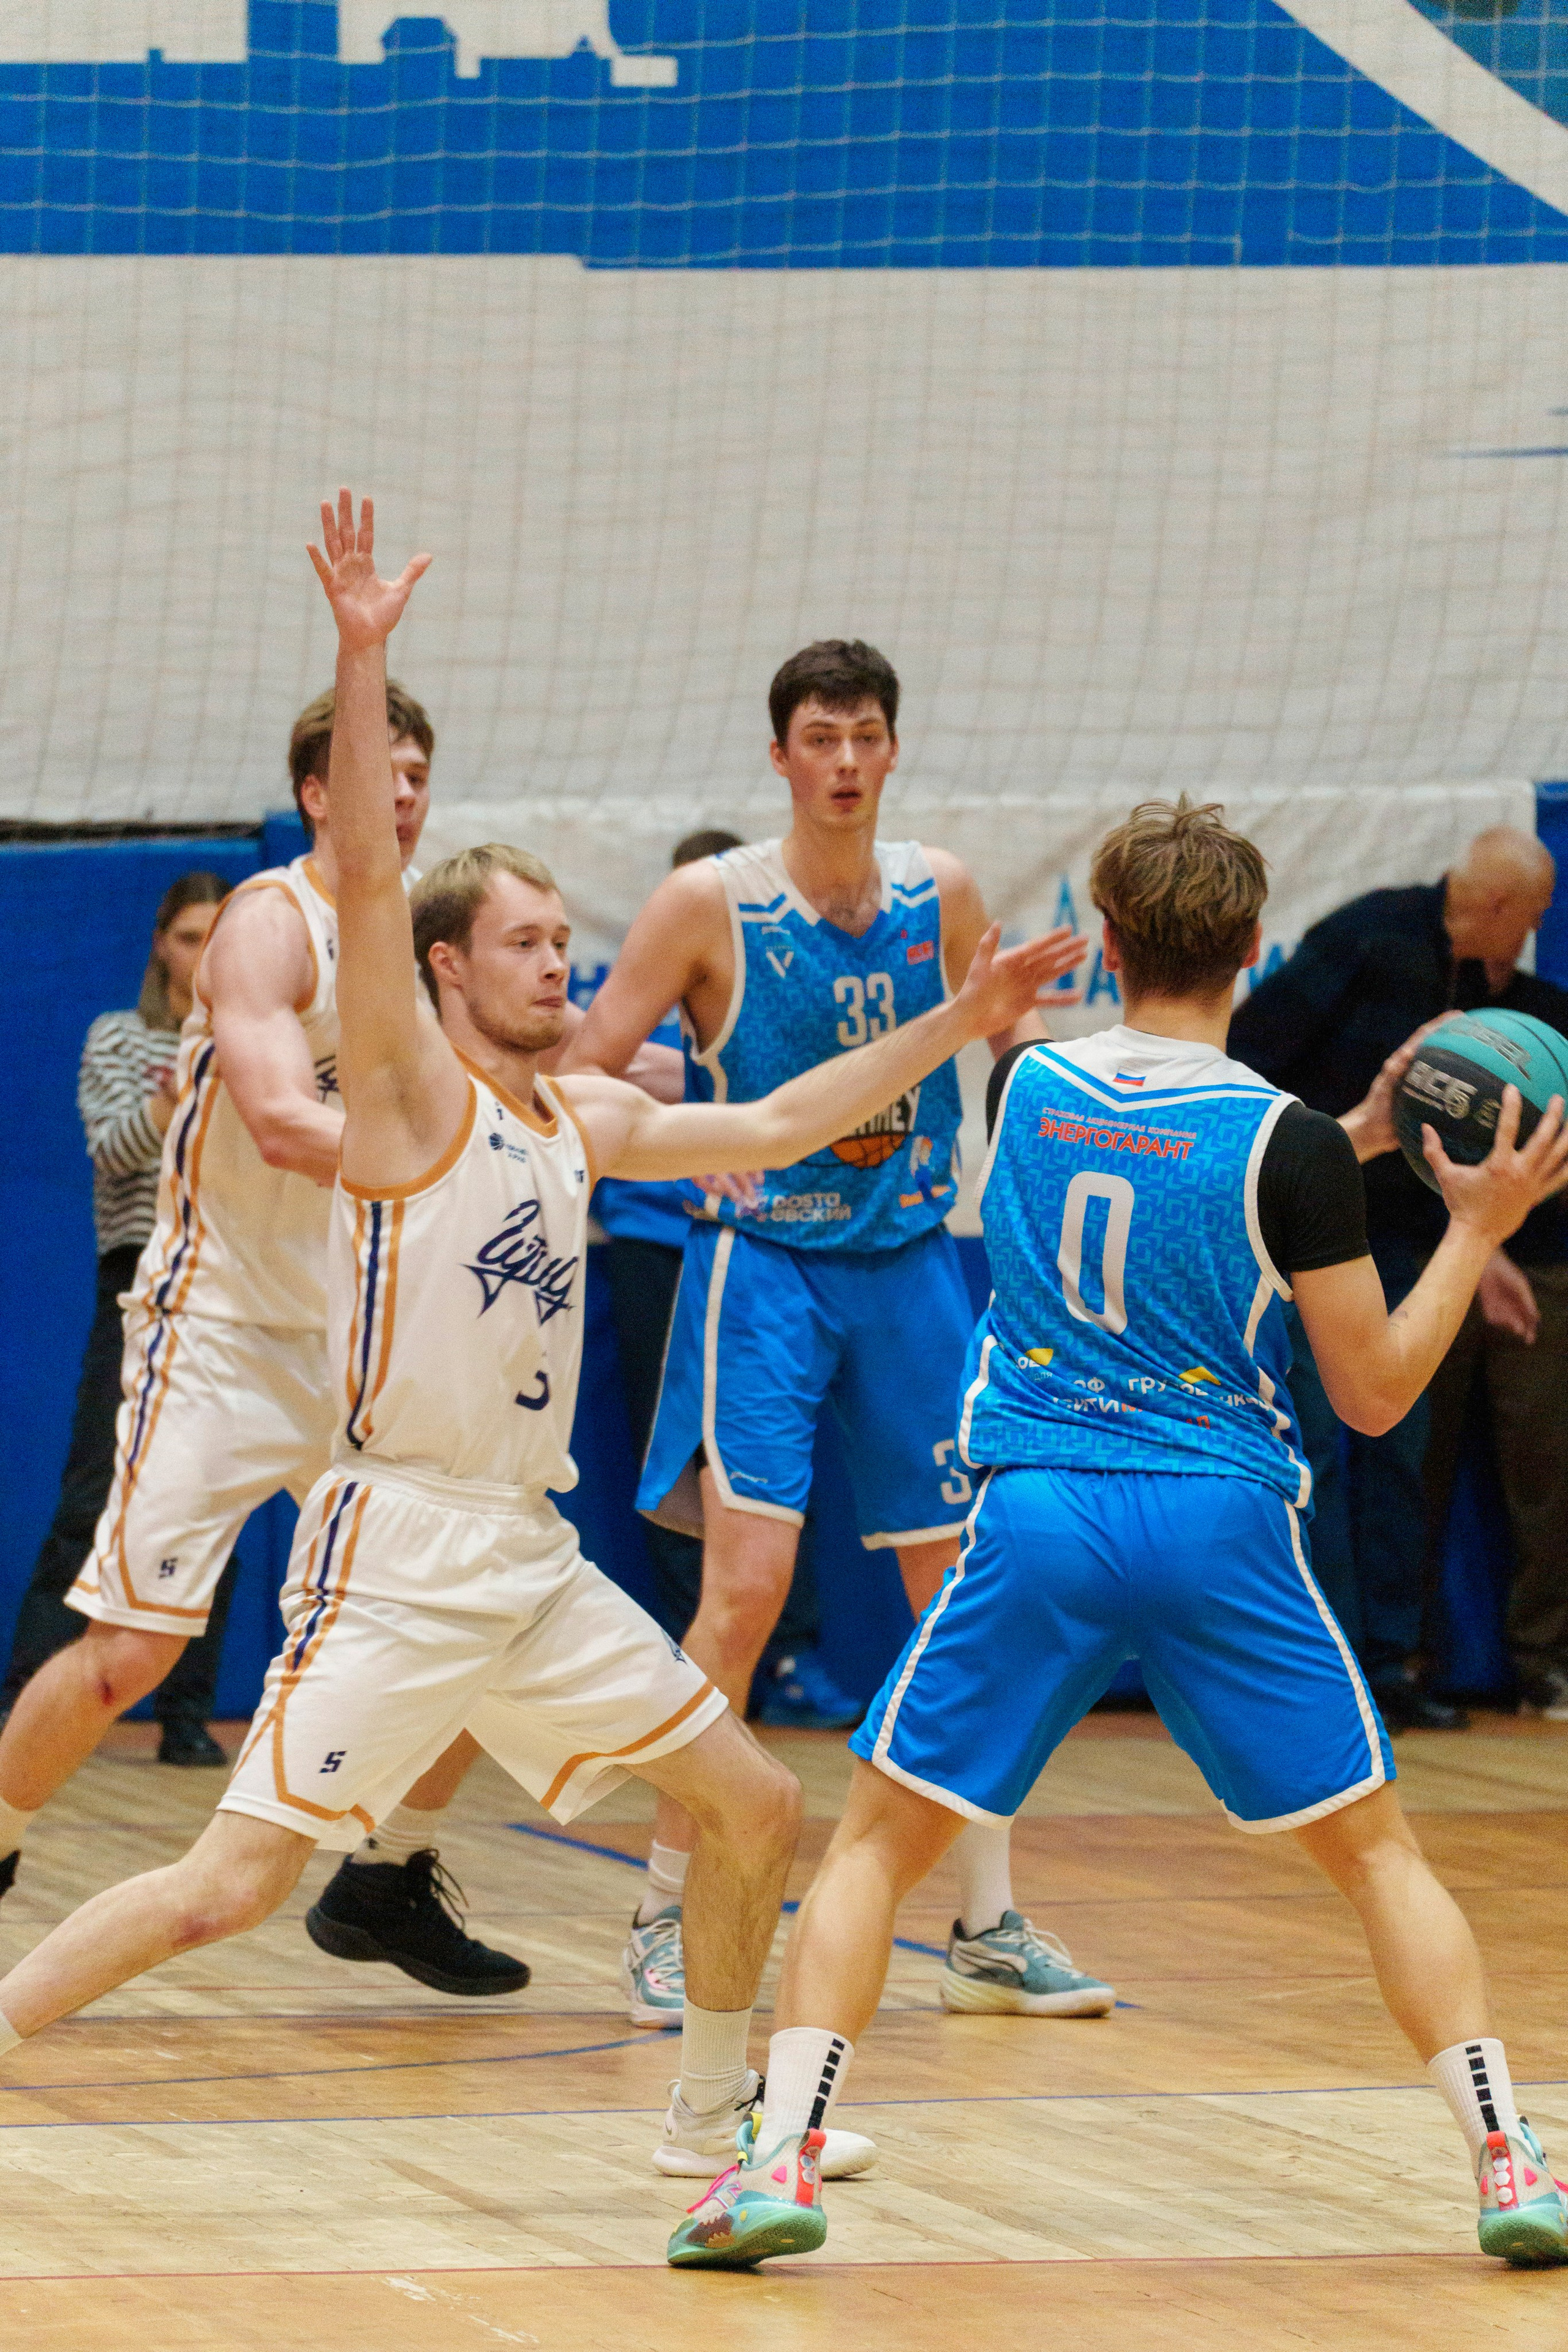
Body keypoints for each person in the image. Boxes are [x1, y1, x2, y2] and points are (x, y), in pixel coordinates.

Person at [0, 491, 1082, 2205]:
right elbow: (360, 866)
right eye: (526, 940)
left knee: (749, 1809)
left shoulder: (581, 1116)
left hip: (527, 1550)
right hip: (396, 1551)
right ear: (441, 969)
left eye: (565, 938)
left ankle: (711, 2128)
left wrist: (962, 1021)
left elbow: (792, 1115)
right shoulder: (411, 1093)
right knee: (227, 1891)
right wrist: (364, 661)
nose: (561, 958)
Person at [669, 798, 1568, 2272]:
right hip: (1217, 1521)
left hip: (1039, 1511)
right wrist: (1470, 1225)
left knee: (877, 1846)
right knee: (1378, 1855)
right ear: (1256, 947)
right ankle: (1506, 2156)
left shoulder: (1021, 1081)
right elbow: (1373, 1384)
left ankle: (776, 2155)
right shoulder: (1289, 1149)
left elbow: (1150, 1158)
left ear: (1102, 939)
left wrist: (1348, 1143)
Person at [565, 641, 1112, 2030]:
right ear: (780, 758)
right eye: (821, 736)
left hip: (912, 1262)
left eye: (867, 733)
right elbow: (578, 1070)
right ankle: (660, 1916)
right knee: (742, 1594)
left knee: (963, 1598)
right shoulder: (709, 901)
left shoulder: (945, 891)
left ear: (889, 747)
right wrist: (688, 1144)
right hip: (763, 1271)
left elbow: (1008, 1050)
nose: (847, 759)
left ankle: (983, 1918)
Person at [0, 679, 519, 2003]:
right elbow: (289, 1123)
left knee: (471, 1610)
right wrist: (468, 1164)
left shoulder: (420, 945)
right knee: (131, 1655)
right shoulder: (269, 926)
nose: (399, 793)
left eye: (416, 772)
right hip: (220, 1331)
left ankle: (382, 1878)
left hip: (355, 1339)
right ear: (314, 791)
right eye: (373, 769)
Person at [1227, 827, 1558, 1731]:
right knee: (1325, 1456)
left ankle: (1390, 1663)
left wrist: (1480, 1249)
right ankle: (1326, 1661)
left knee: (1399, 1457)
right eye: (1529, 918)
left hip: (1409, 1249)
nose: (1531, 938)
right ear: (1495, 906)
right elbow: (1250, 1056)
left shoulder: (1496, 996)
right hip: (1310, 1238)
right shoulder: (1367, 941)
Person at [592, 826, 861, 1733]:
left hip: (769, 1243)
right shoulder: (636, 1003)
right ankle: (691, 1658)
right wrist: (713, 1102)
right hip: (654, 1246)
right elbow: (602, 1068)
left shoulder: (780, 988)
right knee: (674, 1468)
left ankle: (789, 1653)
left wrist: (713, 1099)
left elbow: (798, 1099)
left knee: (776, 1466)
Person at [2, 874, 241, 1766]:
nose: (205, 953)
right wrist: (188, 1075)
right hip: (139, 1279)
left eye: (221, 935)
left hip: (232, 1283)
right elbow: (112, 1150)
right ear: (160, 945)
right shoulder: (120, 1037)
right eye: (188, 936)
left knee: (217, 1504)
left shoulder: (268, 1045)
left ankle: (186, 1718)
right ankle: (23, 1696)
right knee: (93, 1493)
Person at [1418, 973, 1568, 1715]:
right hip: (1424, 1256)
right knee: (1407, 1456)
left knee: (1544, 1467)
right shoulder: (1403, 971)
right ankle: (1396, 1660)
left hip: (1542, 1262)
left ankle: (1541, 1664)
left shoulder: (1550, 1015)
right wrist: (1478, 1244)